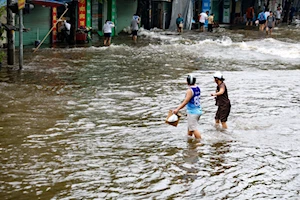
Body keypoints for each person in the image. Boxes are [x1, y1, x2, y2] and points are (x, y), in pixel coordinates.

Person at [173, 74, 203, 139]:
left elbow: (185, 102)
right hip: (198, 110)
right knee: (191, 127)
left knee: (194, 128)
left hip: (193, 112)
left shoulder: (189, 90)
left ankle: (200, 142)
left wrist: (177, 109)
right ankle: (189, 141)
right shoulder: (197, 88)